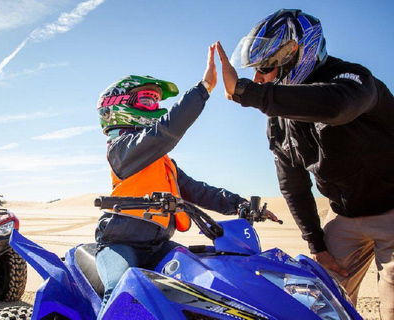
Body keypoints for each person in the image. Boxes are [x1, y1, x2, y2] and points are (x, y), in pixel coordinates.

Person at [215, 8, 394, 319]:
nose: (258, 78)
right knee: (317, 304)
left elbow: (337, 105)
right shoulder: (278, 120)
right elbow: (293, 185)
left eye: (265, 66)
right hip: (343, 217)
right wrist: (316, 243)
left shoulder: (353, 79)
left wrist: (246, 91)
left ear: (295, 54)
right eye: (255, 70)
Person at [95, 45, 276, 318]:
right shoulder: (122, 150)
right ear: (117, 107)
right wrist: (204, 88)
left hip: (159, 246)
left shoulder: (164, 163)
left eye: (156, 102)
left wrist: (240, 205)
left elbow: (198, 191)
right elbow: (166, 131)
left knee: (205, 280)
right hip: (120, 245)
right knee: (123, 292)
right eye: (147, 101)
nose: (155, 107)